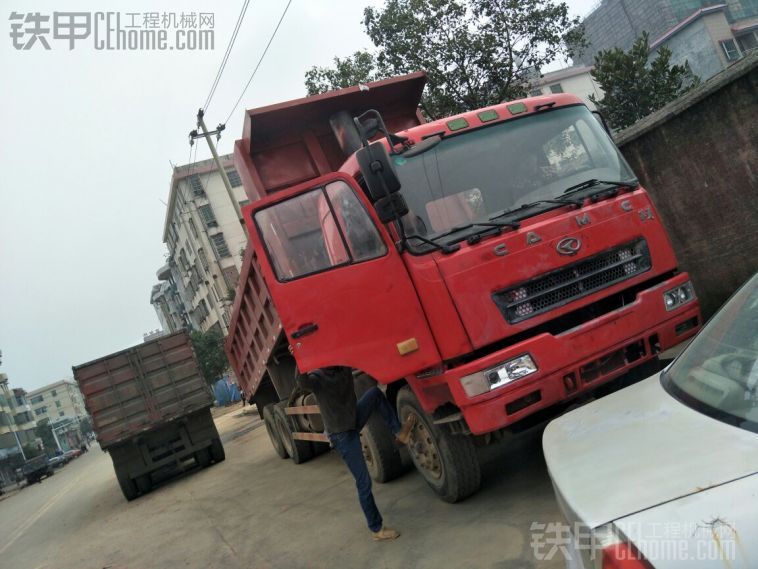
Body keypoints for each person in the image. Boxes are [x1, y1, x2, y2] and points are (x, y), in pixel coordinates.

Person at [296, 365, 415, 541]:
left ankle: (400, 432)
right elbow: (302, 382)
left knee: (374, 393)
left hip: (353, 418)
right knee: (363, 482)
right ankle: (376, 529)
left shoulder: (342, 368)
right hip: (342, 435)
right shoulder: (317, 378)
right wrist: (298, 361)